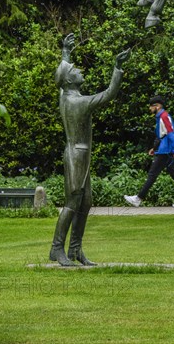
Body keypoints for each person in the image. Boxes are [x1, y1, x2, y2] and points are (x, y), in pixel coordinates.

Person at [50, 33, 130, 266]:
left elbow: (60, 83)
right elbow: (108, 94)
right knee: (73, 202)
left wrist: (66, 52)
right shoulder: (78, 103)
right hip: (77, 155)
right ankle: (57, 248)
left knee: (85, 202)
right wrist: (117, 67)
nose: (80, 71)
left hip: (79, 155)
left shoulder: (65, 96)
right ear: (69, 80)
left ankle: (75, 249)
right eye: (75, 70)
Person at [124, 96, 174, 208]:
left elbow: (171, 134)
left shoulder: (164, 117)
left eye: (151, 106)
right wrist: (154, 148)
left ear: (157, 106)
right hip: (164, 150)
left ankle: (138, 198)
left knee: (152, 175)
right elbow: (161, 135)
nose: (150, 108)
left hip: (165, 151)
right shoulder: (160, 117)